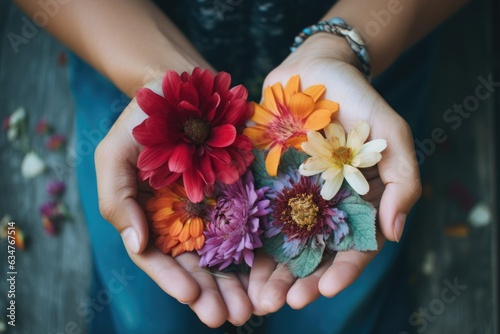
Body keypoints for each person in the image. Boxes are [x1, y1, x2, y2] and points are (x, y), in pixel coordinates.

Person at [15, 0, 469, 332]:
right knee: (147, 316)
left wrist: (344, 47)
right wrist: (157, 82)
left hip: (363, 75)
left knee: (338, 312)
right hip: (123, 61)